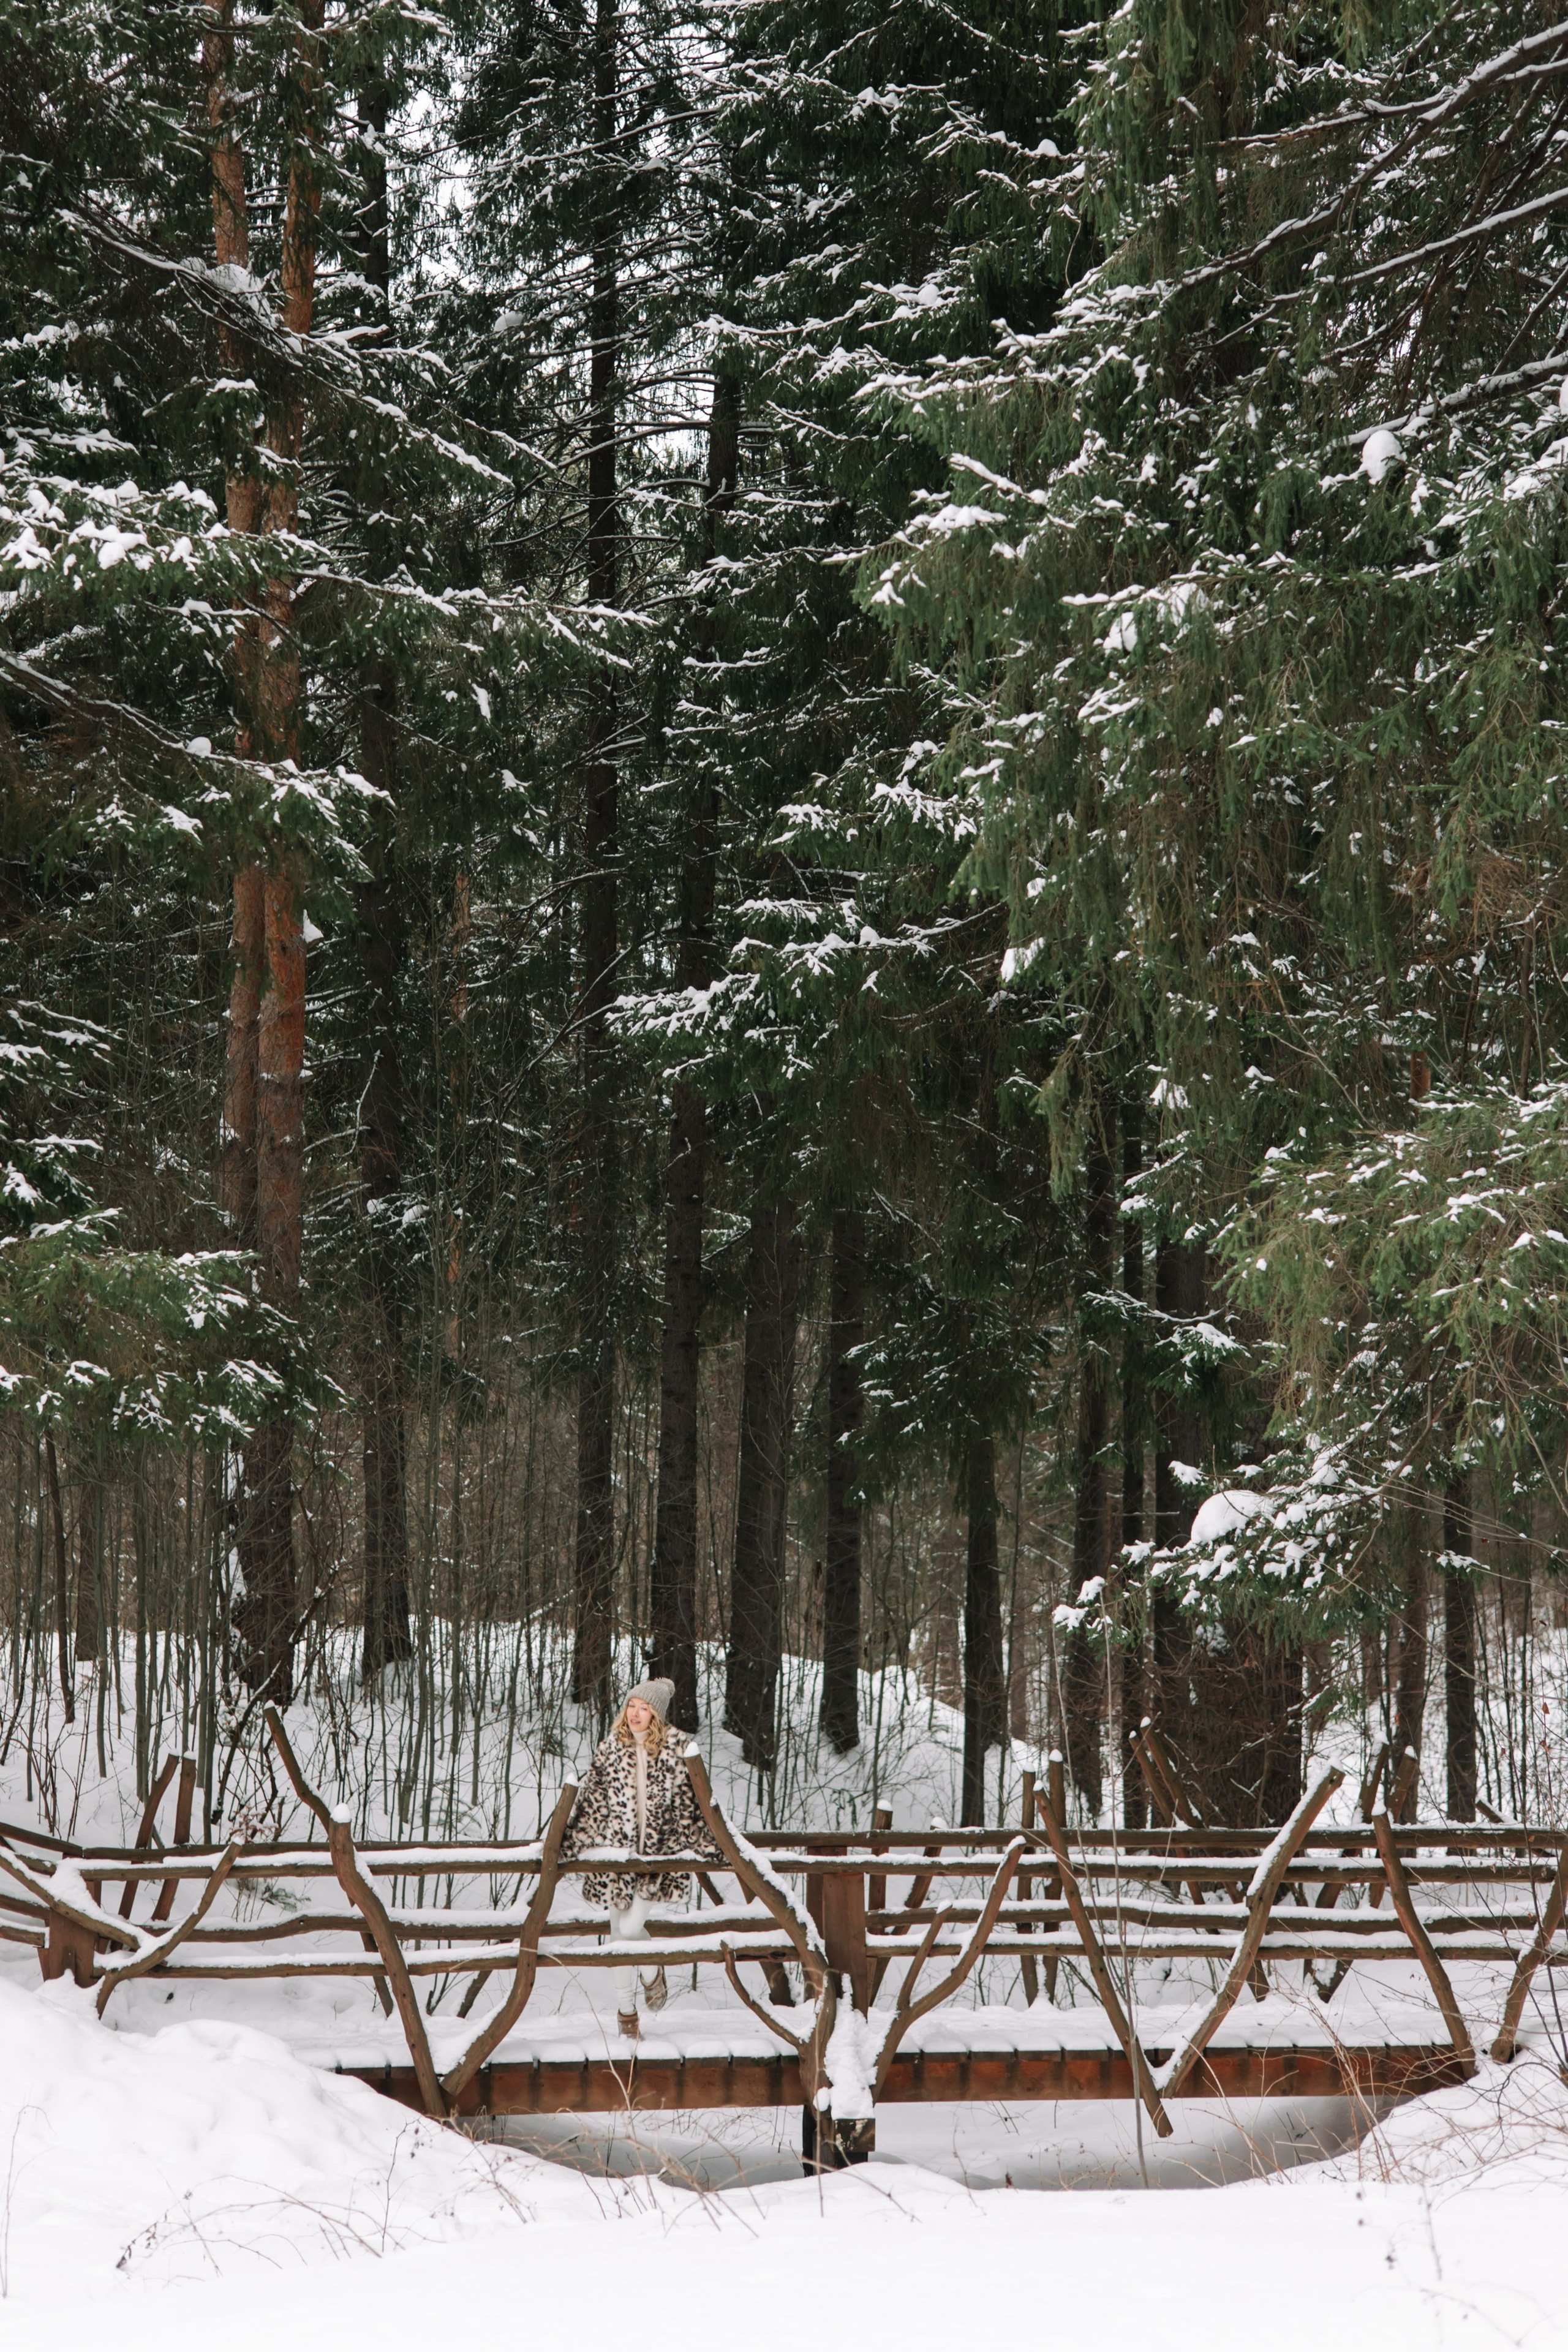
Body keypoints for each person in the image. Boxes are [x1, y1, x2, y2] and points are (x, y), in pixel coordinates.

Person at [560, 1676, 723, 2040]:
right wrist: (564, 1846)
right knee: (618, 1936)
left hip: (656, 1861)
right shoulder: (610, 1749)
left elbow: (693, 1810)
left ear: (657, 1714)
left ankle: (653, 1972)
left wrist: (715, 1847)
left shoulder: (679, 1750)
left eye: (644, 1708)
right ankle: (626, 2016)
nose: (635, 1713)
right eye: (632, 1705)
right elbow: (592, 1808)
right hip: (617, 1858)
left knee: (632, 1930)